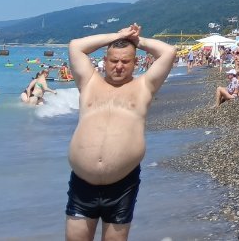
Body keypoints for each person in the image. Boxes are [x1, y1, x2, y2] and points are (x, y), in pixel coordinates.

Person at [65, 23, 174, 241]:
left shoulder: (144, 86)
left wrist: (137, 41)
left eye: (125, 61)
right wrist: (118, 36)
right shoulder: (89, 82)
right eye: (114, 61)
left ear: (136, 63)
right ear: (104, 61)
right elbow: (75, 46)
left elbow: (168, 51)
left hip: (122, 185)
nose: (119, 66)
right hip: (82, 184)